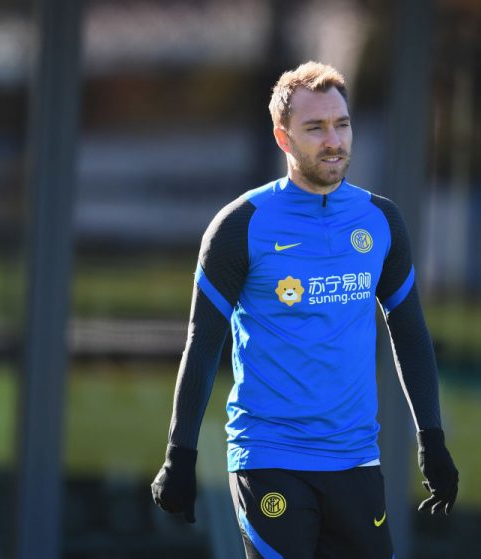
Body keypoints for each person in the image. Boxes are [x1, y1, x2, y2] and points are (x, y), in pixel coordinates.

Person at [151, 61, 458, 559]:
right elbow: (202, 345)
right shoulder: (240, 225)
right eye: (315, 128)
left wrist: (432, 438)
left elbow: (409, 332)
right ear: (283, 138)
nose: (333, 141)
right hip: (270, 458)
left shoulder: (381, 220)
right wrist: (179, 453)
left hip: (356, 460)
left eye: (342, 124)